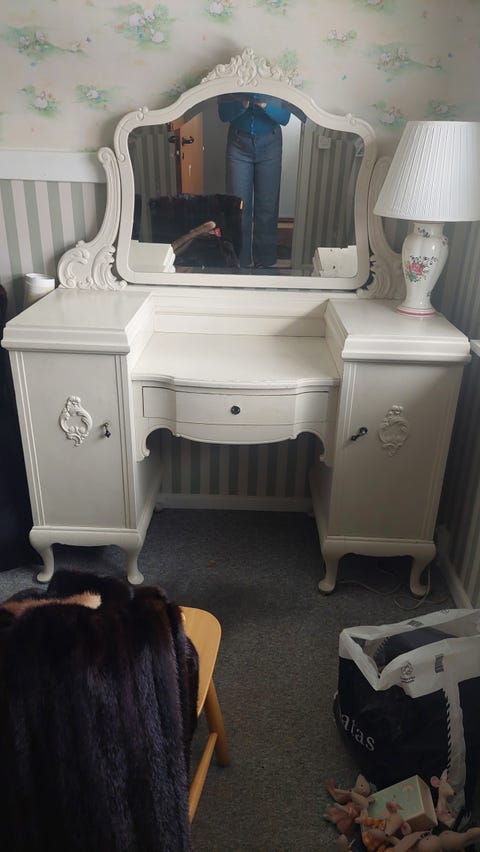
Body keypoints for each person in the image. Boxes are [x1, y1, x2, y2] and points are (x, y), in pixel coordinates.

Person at [218, 94, 290, 268]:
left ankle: (265, 263)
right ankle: (239, 263)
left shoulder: (278, 78)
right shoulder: (233, 78)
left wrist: (264, 104)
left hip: (270, 144)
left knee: (267, 206)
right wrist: (242, 104)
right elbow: (223, 114)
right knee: (238, 207)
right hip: (238, 144)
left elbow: (285, 118)